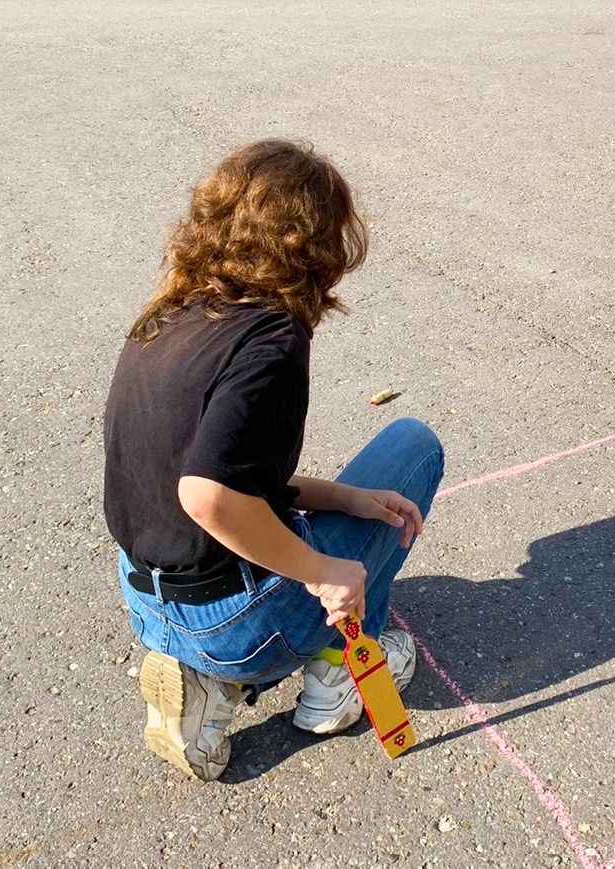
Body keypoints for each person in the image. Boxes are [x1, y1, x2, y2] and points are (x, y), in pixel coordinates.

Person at [102, 140, 444, 781]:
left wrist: (340, 497)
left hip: (150, 599)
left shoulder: (169, 313)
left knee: (344, 509)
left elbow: (219, 470)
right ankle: (332, 677)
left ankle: (210, 687)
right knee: (413, 448)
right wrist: (321, 572)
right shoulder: (272, 341)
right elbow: (207, 493)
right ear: (315, 248)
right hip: (232, 617)